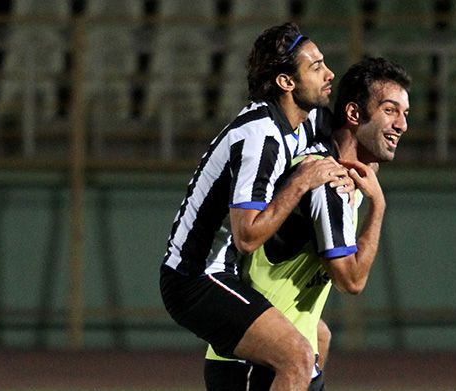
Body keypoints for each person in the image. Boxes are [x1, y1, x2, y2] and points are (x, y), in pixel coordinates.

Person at [159, 22, 352, 391]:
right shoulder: (260, 135)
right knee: (297, 355)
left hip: (227, 272)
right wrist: (300, 182)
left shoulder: (304, 122)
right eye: (316, 67)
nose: (329, 74)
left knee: (318, 336)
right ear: (286, 82)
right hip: (195, 278)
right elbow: (247, 235)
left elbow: (349, 135)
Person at [204, 57, 412, 390]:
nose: (402, 124)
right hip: (256, 364)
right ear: (354, 114)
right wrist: (380, 207)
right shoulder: (324, 180)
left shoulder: (345, 176)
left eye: (405, 114)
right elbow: (352, 281)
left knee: (322, 334)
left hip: (290, 359)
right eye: (390, 110)